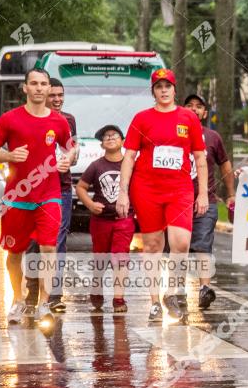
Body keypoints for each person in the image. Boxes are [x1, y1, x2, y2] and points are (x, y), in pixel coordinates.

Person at [116, 68, 208, 323]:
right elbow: (129, 157)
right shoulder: (142, 118)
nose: (164, 90)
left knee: (180, 243)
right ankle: (155, 301)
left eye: (168, 86)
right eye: (159, 86)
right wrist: (123, 192)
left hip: (180, 189)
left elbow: (200, 158)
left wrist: (203, 194)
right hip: (146, 189)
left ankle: (173, 292)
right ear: (153, 91)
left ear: (174, 89)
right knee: (153, 246)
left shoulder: (188, 118)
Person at [0, 68, 74, 327]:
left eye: (43, 84)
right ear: (24, 88)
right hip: (17, 197)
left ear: (48, 88)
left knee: (48, 247)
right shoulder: (10, 119)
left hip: (49, 195)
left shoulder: (59, 122)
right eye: (33, 83)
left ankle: (44, 302)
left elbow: (70, 149)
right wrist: (9, 156)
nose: (38, 88)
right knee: (15, 252)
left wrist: (67, 160)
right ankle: (17, 298)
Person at [26, 77, 76, 313]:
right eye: (52, 95)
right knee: (33, 241)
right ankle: (31, 292)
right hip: (32, 188)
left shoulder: (68, 120)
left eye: (60, 95)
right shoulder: (28, 118)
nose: (57, 99)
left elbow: (71, 148)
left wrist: (69, 158)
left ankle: (54, 295)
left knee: (57, 241)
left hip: (62, 188)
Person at [184, 93, 235, 310]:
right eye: (189, 106)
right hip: (177, 200)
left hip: (207, 200)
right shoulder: (174, 133)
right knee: (178, 248)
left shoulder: (213, 137)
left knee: (203, 244)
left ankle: (205, 289)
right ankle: (176, 289)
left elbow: (225, 165)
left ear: (205, 113)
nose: (194, 109)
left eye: (199, 106)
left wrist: (231, 193)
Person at [76, 125, 135, 313]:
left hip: (123, 219)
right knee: (100, 258)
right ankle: (97, 287)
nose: (110, 138)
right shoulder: (96, 166)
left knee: (121, 257)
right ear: (101, 144)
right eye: (106, 136)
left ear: (123, 141)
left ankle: (119, 299)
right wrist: (90, 204)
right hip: (100, 220)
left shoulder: (130, 164)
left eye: (114, 135)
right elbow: (81, 188)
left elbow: (141, 187)